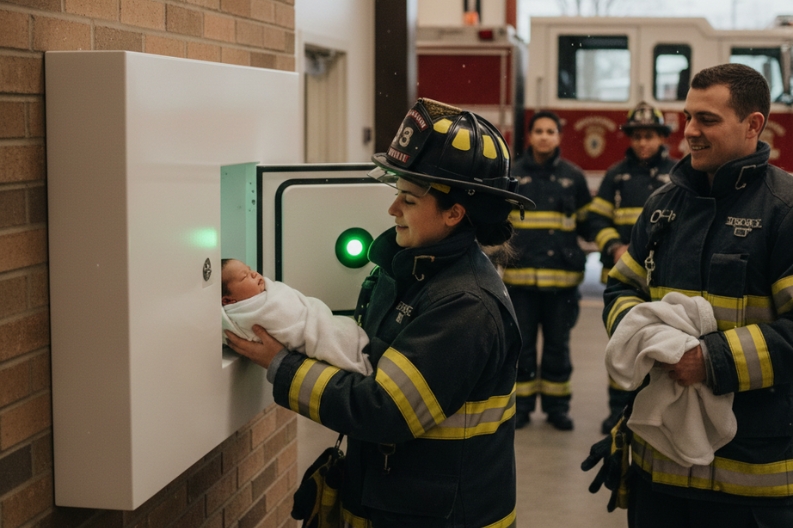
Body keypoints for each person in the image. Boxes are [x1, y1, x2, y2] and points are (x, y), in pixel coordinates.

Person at [225, 97, 533, 527]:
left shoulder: (467, 305)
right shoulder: (405, 268)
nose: (392, 210)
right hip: (389, 504)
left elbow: (384, 410)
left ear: (454, 213)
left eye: (408, 199)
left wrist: (281, 364)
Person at [603, 63, 793, 526]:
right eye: (687, 117)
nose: (689, 132)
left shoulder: (783, 211)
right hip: (659, 473)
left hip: (750, 482)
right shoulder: (663, 206)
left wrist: (711, 359)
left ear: (753, 125)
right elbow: (621, 286)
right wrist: (650, 340)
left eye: (707, 120)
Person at [589, 101, 678, 434]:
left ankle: (655, 413)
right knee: (623, 343)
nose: (643, 143)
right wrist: (614, 246)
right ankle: (620, 413)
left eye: (650, 136)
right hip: (625, 279)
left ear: (661, 137)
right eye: (637, 136)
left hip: (666, 280)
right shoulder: (616, 174)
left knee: (663, 346)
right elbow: (595, 217)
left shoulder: (678, 173)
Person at [503, 110, 593, 431]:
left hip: (562, 283)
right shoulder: (511, 175)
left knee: (558, 348)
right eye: (538, 131)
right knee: (522, 348)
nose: (544, 136)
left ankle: (557, 409)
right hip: (520, 280)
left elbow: (589, 223)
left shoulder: (574, 177)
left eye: (550, 131)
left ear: (558, 136)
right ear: (529, 136)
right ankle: (523, 408)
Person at [220, 258, 372, 375]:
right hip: (313, 335)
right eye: (244, 276)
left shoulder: (273, 292)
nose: (254, 273)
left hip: (322, 323)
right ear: (228, 300)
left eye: (250, 269)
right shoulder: (242, 314)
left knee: (340, 334)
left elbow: (303, 308)